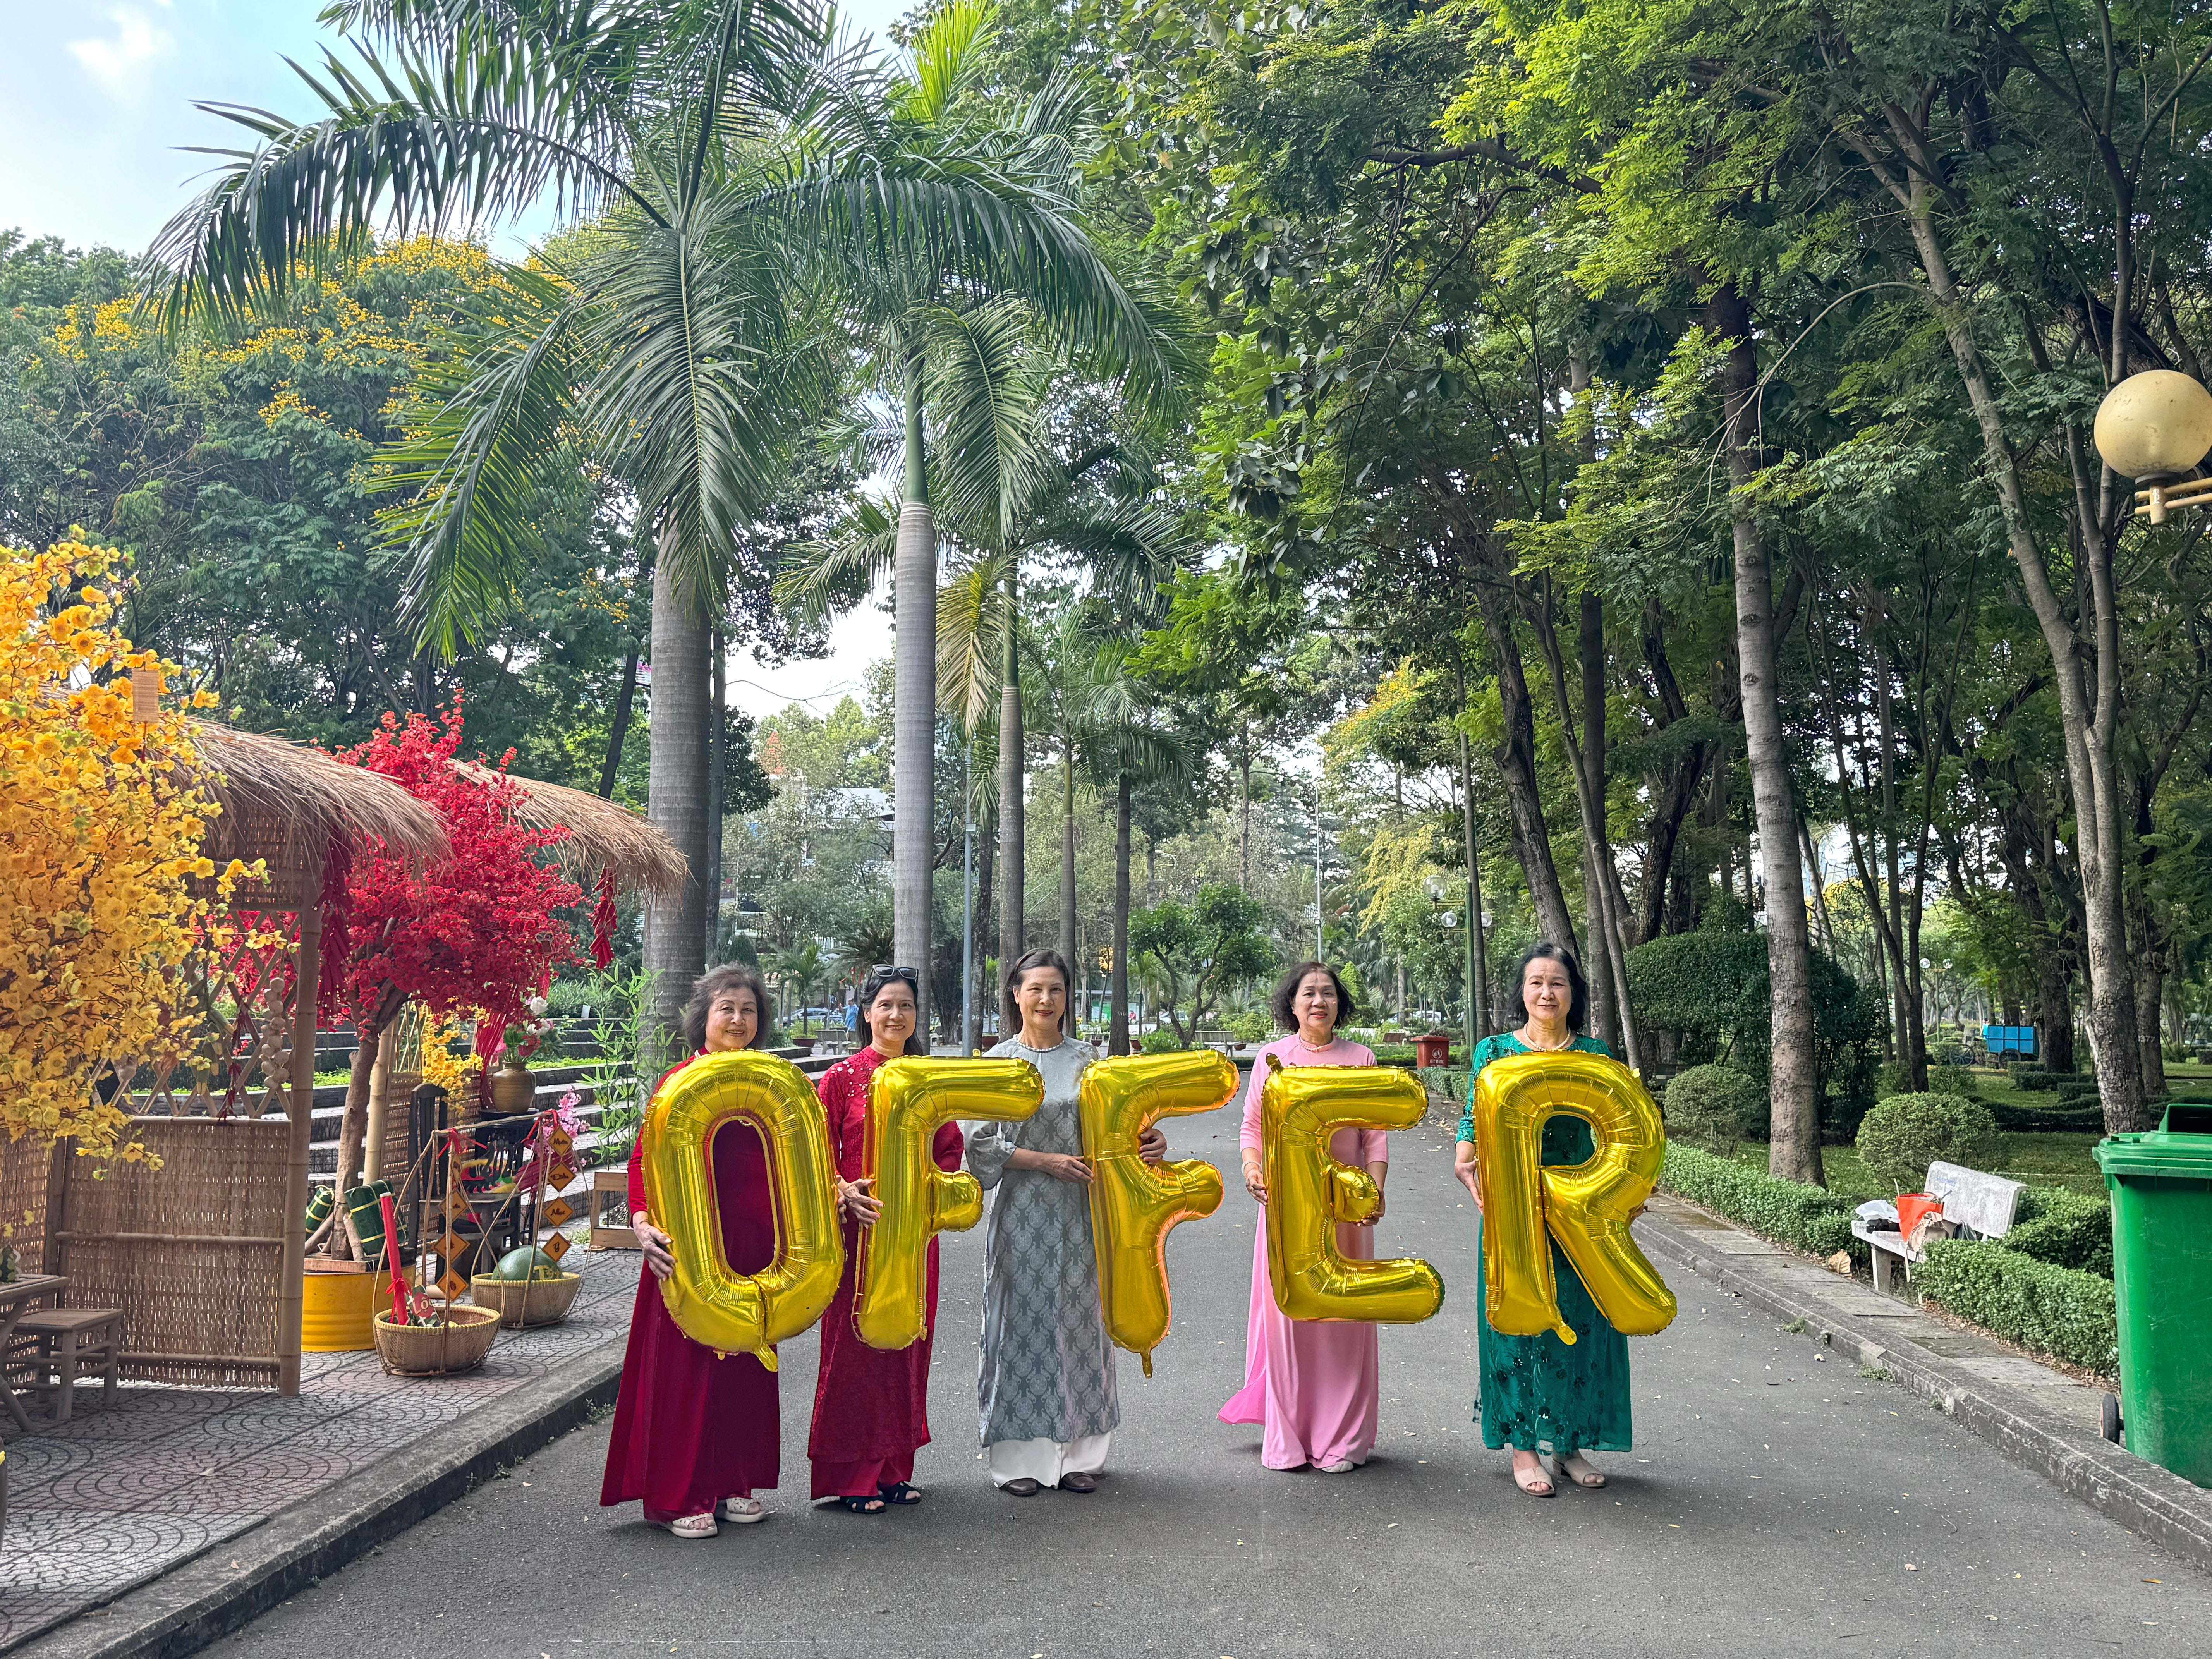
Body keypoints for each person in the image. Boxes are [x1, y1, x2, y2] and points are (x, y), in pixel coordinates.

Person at [968, 947, 1164, 1495]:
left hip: (1084, 1213)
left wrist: (1150, 1141)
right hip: (1023, 1211)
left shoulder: (1089, 1062)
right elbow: (981, 1143)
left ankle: (1080, 1454)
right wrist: (1045, 1162)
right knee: (1022, 1325)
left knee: (1082, 1323)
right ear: (1015, 994)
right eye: (1035, 989)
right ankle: (1020, 1461)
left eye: (1056, 990)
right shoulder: (998, 1064)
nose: (1046, 1000)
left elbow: (1122, 1126)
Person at [601, 965, 780, 1537]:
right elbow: (640, 1161)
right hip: (690, 1248)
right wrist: (640, 1221)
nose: (738, 1019)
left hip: (755, 1247)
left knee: (745, 1367)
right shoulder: (679, 1083)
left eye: (748, 1010)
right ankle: (680, 1496)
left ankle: (733, 1482)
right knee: (689, 1372)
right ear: (703, 1017)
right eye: (726, 1008)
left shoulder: (773, 1085)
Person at [1452, 942, 1632, 1498]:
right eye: (1536, 983)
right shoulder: (1495, 1052)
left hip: (1579, 1214)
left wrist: (1627, 1191)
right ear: (1522, 993)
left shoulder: (1596, 1055)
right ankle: (1524, 1447)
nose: (1546, 993)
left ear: (1573, 993)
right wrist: (1464, 1157)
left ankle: (1569, 1446)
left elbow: (1623, 1128)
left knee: (1578, 1324)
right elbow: (1471, 1119)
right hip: (1512, 1215)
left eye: (1557, 983)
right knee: (1517, 1323)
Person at [1219, 961, 1387, 1472]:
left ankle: (1342, 1439)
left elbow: (1373, 1135)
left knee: (1342, 1320)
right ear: (1291, 1004)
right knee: (1290, 1320)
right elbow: (1252, 1127)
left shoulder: (1361, 1059)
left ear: (1340, 1004)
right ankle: (1289, 1436)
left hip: (1344, 1212)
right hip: (1287, 1209)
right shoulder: (1273, 1058)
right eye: (1309, 993)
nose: (1319, 1002)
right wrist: (1252, 1170)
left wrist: (1374, 1193)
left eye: (1329, 994)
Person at [807, 966, 958, 1513]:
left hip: (915, 1237)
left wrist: (932, 1193)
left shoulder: (926, 1079)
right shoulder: (840, 1079)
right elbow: (815, 1158)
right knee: (855, 1350)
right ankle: (850, 1476)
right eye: (886, 1005)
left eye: (906, 1007)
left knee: (907, 1346)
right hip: (856, 1237)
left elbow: (949, 1151)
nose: (896, 1015)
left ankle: (894, 1469)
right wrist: (843, 1191)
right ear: (866, 1012)